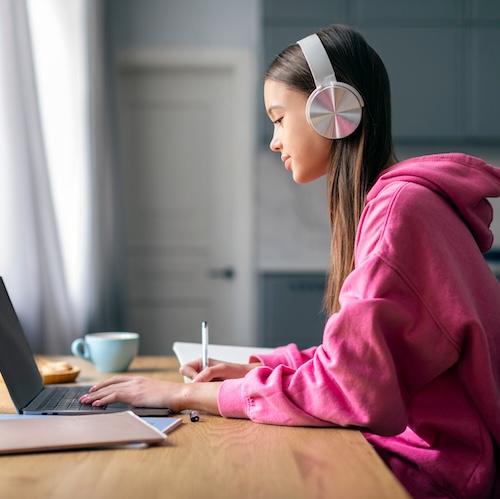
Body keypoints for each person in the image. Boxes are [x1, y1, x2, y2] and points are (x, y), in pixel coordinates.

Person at [80, 24, 500, 498]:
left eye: (279, 118)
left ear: (333, 111)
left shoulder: (399, 209)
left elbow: (352, 389)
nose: (275, 140)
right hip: (429, 456)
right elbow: (359, 364)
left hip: (441, 473)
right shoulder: (396, 202)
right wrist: (257, 367)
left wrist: (186, 395)